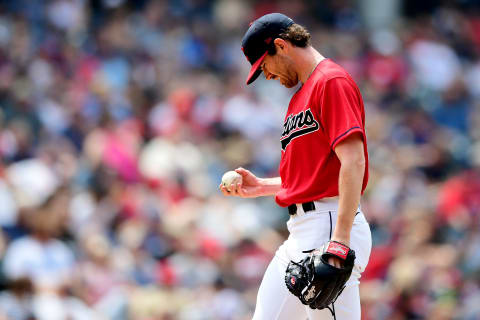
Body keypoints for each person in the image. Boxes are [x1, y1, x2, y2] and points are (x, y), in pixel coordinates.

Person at [219, 13, 372, 320]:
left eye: (264, 64)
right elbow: (313, 176)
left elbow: (354, 161)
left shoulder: (331, 80)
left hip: (330, 226)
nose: (267, 74)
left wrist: (339, 241)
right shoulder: (300, 96)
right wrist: (263, 186)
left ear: (281, 45)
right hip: (301, 232)